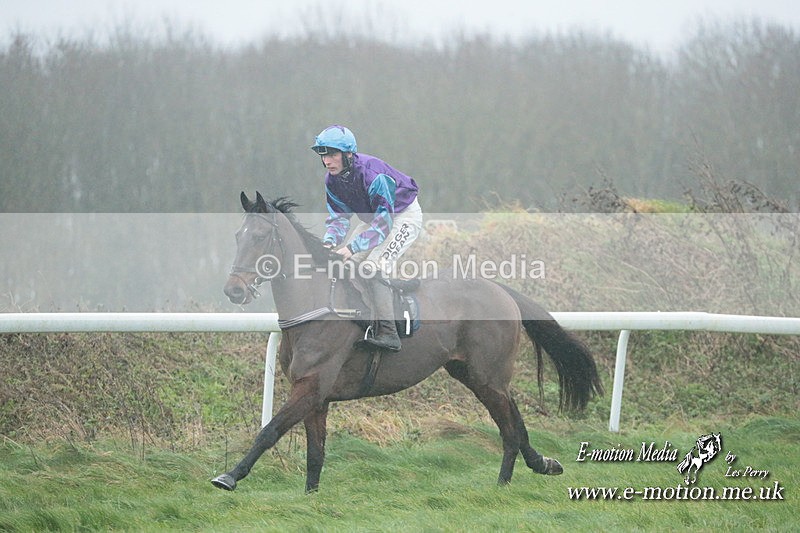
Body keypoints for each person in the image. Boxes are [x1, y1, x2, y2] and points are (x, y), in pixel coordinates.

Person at [311, 125, 423, 351]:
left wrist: (351, 247)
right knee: (348, 265)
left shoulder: (373, 175)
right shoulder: (332, 180)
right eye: (324, 155)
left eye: (332, 155)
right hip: (375, 219)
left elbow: (384, 224)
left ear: (348, 154)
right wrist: (330, 241)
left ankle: (389, 333)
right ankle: (365, 313)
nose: (327, 161)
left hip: (401, 217)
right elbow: (339, 218)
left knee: (372, 268)